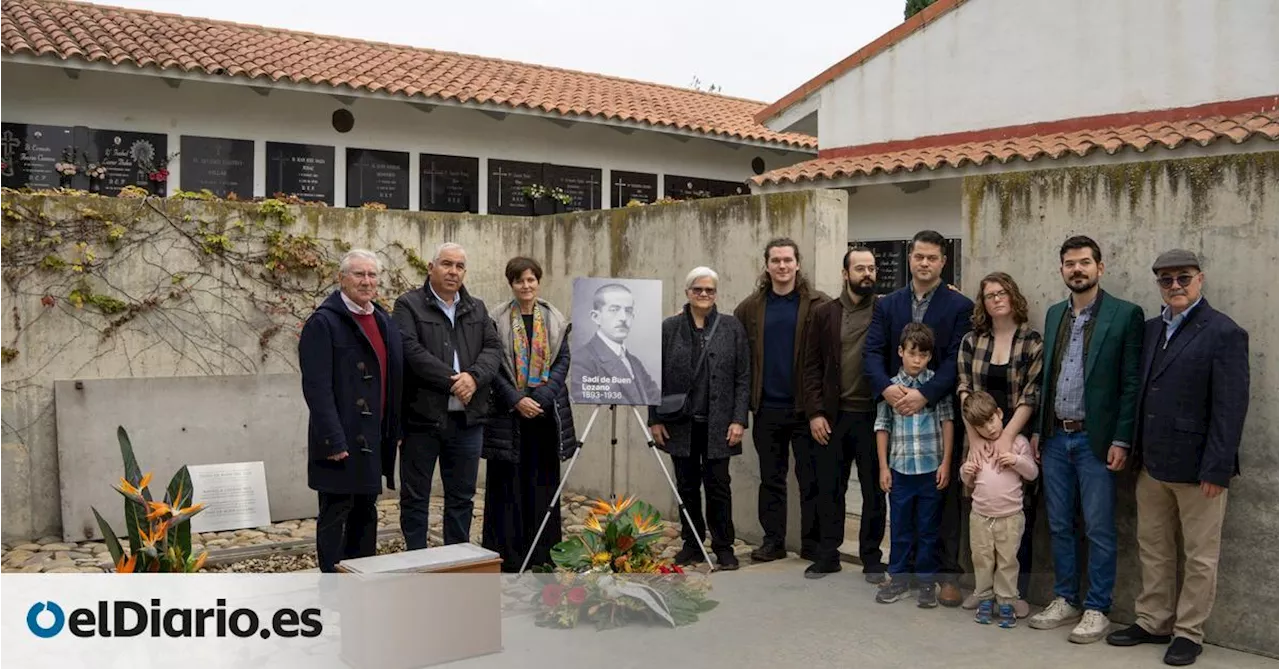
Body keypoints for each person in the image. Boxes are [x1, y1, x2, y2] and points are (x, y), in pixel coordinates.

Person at [1106, 250, 1250, 666]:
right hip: (1151, 463)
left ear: (1200, 279)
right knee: (1153, 548)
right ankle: (1154, 621)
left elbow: (1230, 407)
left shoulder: (1224, 333)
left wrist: (1218, 467)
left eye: (1182, 279)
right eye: (1166, 280)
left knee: (1200, 556)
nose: (1174, 287)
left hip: (1199, 469)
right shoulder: (1151, 330)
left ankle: (1189, 632)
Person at [1027, 235, 1144, 644]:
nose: (1077, 269)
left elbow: (1131, 384)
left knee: (1098, 528)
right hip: (1057, 438)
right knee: (1058, 524)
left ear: (1100, 267)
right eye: (1070, 264)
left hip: (1096, 441)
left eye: (1084, 263)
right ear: (1061, 269)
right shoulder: (1056, 314)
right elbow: (1048, 377)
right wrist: (1040, 431)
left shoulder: (1125, 314)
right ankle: (1065, 598)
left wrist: (1122, 439)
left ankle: (1098, 607)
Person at [863, 229, 973, 606]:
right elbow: (874, 351)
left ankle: (940, 575)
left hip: (937, 410)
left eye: (932, 258)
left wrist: (925, 393)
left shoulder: (960, 307)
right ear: (910, 259)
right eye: (919, 256)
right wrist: (887, 389)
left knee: (939, 507)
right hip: (894, 410)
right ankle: (902, 572)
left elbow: (958, 358)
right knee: (904, 513)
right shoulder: (888, 303)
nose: (924, 263)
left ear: (944, 261)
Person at [298, 250, 404, 572]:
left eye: (372, 275)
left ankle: (362, 583)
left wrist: (394, 431)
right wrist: (333, 440)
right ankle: (331, 589)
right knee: (335, 515)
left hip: (373, 438)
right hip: (340, 440)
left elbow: (393, 379)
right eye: (359, 274)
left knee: (366, 513)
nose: (367, 281)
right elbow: (316, 388)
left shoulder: (384, 320)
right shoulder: (323, 322)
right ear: (341, 278)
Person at [393, 242, 502, 549]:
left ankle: (456, 559)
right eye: (446, 264)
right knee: (415, 497)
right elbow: (409, 350)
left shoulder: (477, 308)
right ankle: (416, 560)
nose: (453, 272)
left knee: (462, 497)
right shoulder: (408, 305)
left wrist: (474, 377)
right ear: (431, 267)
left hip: (467, 420)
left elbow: (493, 349)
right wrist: (453, 380)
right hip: (422, 419)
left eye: (459, 266)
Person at [732, 238, 830, 563]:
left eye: (788, 260)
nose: (782, 266)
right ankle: (773, 542)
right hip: (767, 409)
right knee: (771, 480)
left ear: (798, 263)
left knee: (810, 478)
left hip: (806, 411)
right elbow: (733, 347)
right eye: (776, 260)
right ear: (767, 265)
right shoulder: (750, 308)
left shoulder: (819, 305)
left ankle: (812, 544)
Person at [649, 267, 750, 571]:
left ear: (716, 294)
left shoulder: (731, 327)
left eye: (709, 290)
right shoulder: (670, 328)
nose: (704, 295)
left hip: (720, 424)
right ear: (687, 293)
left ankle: (723, 546)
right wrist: (654, 419)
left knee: (719, 486)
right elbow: (655, 377)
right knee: (687, 485)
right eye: (698, 290)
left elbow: (743, 377)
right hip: (681, 423)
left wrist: (738, 420)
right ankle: (692, 543)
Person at [480, 257, 577, 572]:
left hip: (545, 417)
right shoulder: (494, 319)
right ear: (511, 284)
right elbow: (492, 364)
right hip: (508, 417)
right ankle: (508, 555)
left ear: (539, 282)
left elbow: (562, 361)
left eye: (531, 280)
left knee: (542, 485)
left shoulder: (555, 319)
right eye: (520, 280)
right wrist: (517, 400)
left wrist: (541, 398)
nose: (526, 286)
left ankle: (543, 557)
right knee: (506, 487)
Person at [956, 271, 1044, 618]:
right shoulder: (971, 341)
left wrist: (1007, 436)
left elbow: (1032, 393)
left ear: (1014, 295)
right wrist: (976, 438)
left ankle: (1013, 593)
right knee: (980, 519)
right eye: (989, 294)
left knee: (1016, 521)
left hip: (1014, 438)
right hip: (977, 437)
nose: (996, 298)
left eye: (1002, 292)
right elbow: (963, 387)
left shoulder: (1031, 341)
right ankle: (983, 590)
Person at [801, 245, 885, 580]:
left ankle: (872, 557)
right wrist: (815, 413)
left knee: (873, 491)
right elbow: (810, 367)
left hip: (874, 417)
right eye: (860, 268)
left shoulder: (885, 310)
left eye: (872, 268)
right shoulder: (825, 313)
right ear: (845, 273)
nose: (867, 274)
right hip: (834, 417)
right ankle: (828, 554)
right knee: (829, 488)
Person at [873, 322, 954, 607]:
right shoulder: (891, 390)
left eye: (923, 354)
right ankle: (897, 579)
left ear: (930, 356)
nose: (917, 360)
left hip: (930, 470)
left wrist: (945, 462)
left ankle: (926, 582)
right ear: (901, 352)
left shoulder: (935, 387)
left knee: (928, 528)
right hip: (900, 470)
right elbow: (882, 426)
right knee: (900, 527)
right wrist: (884, 467)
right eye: (912, 353)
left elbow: (947, 422)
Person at [959, 391, 1039, 630]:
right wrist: (967, 471)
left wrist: (1015, 460)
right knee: (981, 559)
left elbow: (1032, 473)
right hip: (981, 516)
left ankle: (1006, 600)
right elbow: (967, 480)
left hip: (1010, 517)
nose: (990, 429)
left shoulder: (1018, 442)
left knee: (1007, 561)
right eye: (981, 426)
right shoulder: (978, 447)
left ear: (1000, 414)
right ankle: (984, 598)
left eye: (991, 420)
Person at [570, 283, 660, 405]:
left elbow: (654, 397)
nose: (623, 317)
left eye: (628, 311)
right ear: (596, 317)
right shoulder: (582, 360)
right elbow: (584, 397)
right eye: (614, 310)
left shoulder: (635, 363)